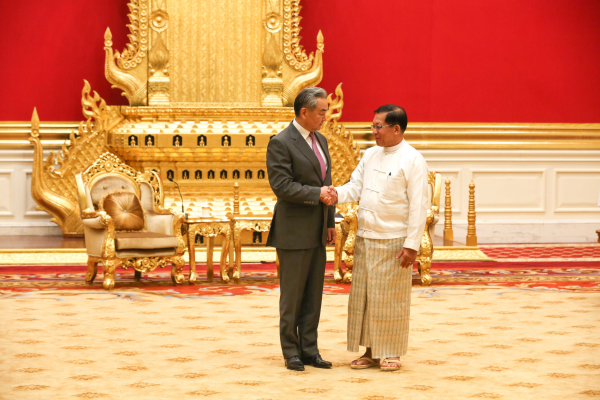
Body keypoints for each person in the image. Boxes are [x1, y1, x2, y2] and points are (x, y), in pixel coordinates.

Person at [329, 105, 428, 371]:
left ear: (396, 129)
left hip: (394, 240)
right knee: (366, 297)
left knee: (390, 300)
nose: (374, 131)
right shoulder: (371, 154)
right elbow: (355, 187)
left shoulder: (413, 159)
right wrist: (335, 194)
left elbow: (419, 206)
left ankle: (391, 352)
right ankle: (371, 351)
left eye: (378, 127)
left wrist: (412, 245)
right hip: (366, 237)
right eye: (372, 126)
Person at [266, 86, 336, 371]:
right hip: (293, 231)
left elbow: (327, 182)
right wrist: (317, 194)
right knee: (293, 296)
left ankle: (310, 349)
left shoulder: (321, 140)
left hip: (318, 229)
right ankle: (291, 351)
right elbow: (282, 186)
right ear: (304, 112)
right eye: (322, 112)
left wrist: (330, 222)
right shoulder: (281, 142)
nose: (325, 117)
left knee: (313, 295)